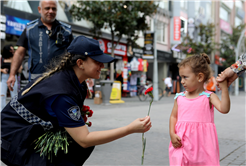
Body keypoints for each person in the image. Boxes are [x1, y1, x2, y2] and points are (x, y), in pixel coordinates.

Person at [0, 36, 152, 166]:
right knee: (80, 146)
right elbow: (84, 139)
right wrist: (130, 129)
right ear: (80, 63)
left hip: (25, 134)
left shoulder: (72, 80)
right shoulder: (62, 92)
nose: (102, 65)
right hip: (11, 139)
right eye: (97, 61)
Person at [169, 53, 230, 165]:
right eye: (181, 77)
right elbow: (173, 116)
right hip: (182, 144)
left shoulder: (208, 97)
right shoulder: (180, 97)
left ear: (199, 77)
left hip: (203, 147)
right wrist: (172, 133)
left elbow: (224, 109)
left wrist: (224, 88)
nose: (182, 81)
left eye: (185, 77)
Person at [7, 0, 73, 91]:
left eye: (54, 9)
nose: (51, 11)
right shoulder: (29, 29)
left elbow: (75, 55)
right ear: (39, 9)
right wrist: (12, 75)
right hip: (36, 82)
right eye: (47, 8)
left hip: (60, 81)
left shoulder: (66, 30)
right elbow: (19, 54)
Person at [0, 44, 22, 111]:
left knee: (14, 96)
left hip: (13, 78)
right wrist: (2, 70)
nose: (12, 51)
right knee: (2, 95)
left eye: (13, 49)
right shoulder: (2, 59)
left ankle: (13, 112)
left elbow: (20, 70)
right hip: (3, 78)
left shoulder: (15, 58)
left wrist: (14, 67)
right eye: (11, 49)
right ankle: (2, 111)